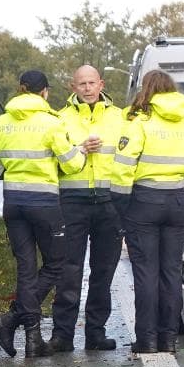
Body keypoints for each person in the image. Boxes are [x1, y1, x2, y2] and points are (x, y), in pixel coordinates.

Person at [0, 70, 83, 358]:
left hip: (13, 202)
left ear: (21, 89)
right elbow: (72, 164)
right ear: (45, 93)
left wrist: (12, 173)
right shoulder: (52, 122)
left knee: (25, 269)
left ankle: (31, 337)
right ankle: (13, 322)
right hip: (45, 204)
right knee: (57, 263)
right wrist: (83, 152)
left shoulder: (1, 123)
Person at [115, 71, 184, 354]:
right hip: (176, 199)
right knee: (172, 272)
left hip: (144, 199)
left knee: (146, 273)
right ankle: (168, 340)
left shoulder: (139, 121)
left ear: (147, 89)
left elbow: (123, 165)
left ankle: (147, 340)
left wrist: (121, 204)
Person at [52, 65, 127, 352]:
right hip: (71, 201)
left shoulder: (120, 118)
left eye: (91, 82)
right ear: (72, 86)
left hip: (109, 202)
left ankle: (96, 333)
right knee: (68, 271)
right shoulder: (59, 119)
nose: (86, 88)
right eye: (81, 83)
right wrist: (80, 149)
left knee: (103, 271)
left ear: (101, 84)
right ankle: (63, 335)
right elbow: (55, 159)